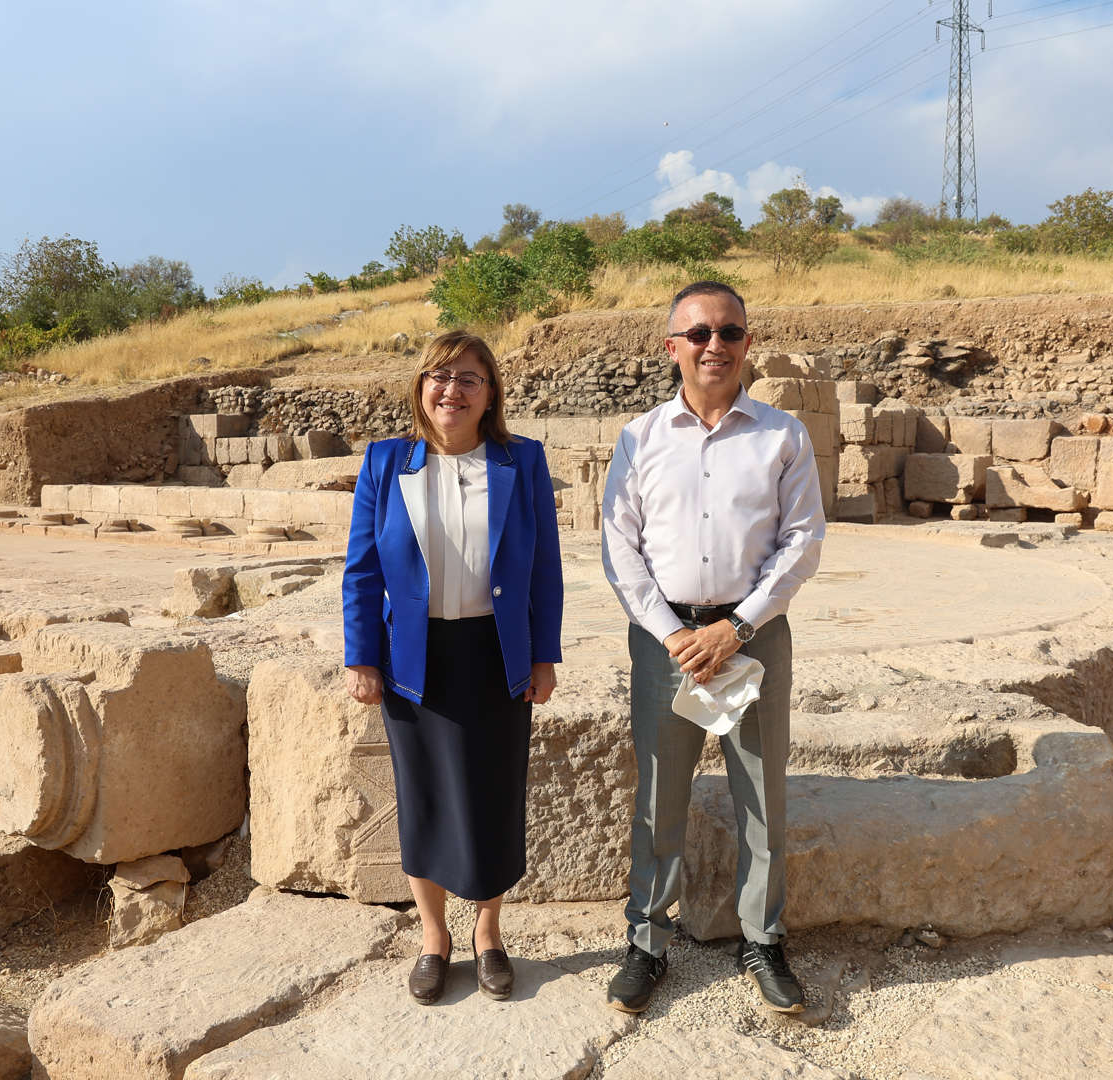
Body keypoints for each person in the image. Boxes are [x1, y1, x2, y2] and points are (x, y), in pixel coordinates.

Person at [600, 281, 825, 1015]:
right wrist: (673, 633)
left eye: (729, 331)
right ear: (672, 347)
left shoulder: (783, 435)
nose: (714, 345)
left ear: (748, 342)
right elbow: (620, 547)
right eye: (698, 333)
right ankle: (647, 942)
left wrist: (738, 626)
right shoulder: (638, 438)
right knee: (658, 794)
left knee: (761, 793)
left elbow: (802, 540)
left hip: (753, 637)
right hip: (664, 639)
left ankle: (763, 937)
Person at [343, 329, 563, 1005]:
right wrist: (361, 657)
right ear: (420, 388)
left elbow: (545, 567)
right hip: (414, 658)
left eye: (469, 378)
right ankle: (433, 937)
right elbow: (362, 571)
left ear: (490, 393)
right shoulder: (386, 461)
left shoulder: (522, 460)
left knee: (494, 795)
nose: (452, 390)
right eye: (439, 376)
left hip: (496, 654)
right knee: (424, 798)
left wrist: (544, 653)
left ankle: (488, 932)